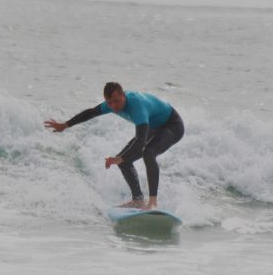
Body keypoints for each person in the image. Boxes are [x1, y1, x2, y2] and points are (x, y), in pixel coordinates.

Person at [44, 82, 184, 210]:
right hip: (153, 126)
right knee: (124, 161)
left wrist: (119, 158)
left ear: (123, 95)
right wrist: (65, 125)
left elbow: (140, 141)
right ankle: (138, 200)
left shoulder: (137, 106)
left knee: (148, 152)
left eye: (117, 101)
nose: (114, 106)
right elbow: (91, 113)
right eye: (109, 103)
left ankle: (152, 203)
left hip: (172, 125)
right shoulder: (110, 105)